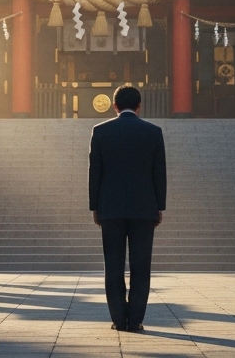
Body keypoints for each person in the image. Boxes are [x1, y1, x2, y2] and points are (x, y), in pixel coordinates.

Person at [88, 84, 167, 332]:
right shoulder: (153, 132)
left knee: (113, 265)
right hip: (144, 208)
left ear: (115, 106)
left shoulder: (100, 131)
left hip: (110, 208)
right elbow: (159, 173)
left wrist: (95, 206)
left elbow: (95, 173)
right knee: (141, 266)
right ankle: (136, 320)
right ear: (139, 106)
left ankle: (118, 320)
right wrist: (159, 206)